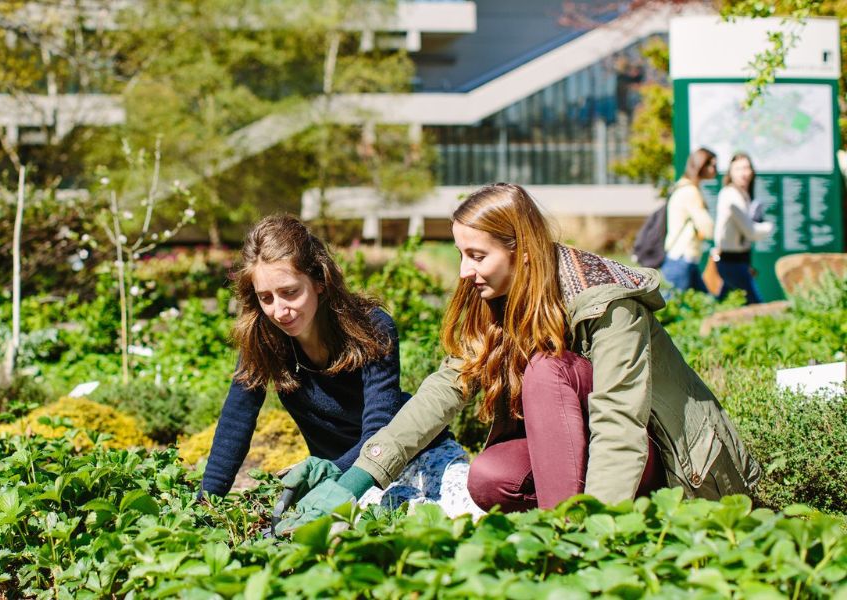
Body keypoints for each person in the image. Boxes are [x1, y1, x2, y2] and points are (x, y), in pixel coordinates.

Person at [277, 183, 759, 523]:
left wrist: (595, 534)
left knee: (549, 372)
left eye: (477, 255)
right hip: (597, 458)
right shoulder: (498, 298)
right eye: (462, 253)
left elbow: (620, 423)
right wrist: (361, 476)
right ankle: (556, 520)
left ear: (522, 251)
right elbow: (443, 389)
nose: (464, 271)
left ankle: (563, 530)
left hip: (671, 471)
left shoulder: (608, 303)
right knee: (490, 478)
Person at [202, 214, 480, 520]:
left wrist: (336, 473)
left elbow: (380, 429)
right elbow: (236, 421)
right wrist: (206, 503)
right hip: (343, 481)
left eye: (290, 292)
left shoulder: (371, 327)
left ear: (319, 281)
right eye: (265, 298)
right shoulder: (263, 340)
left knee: (466, 516)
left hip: (413, 457)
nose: (279, 311)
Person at [713, 153, 775, 305]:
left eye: (746, 168)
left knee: (724, 305)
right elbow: (750, 232)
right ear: (730, 172)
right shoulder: (731, 195)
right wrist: (768, 227)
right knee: (756, 305)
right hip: (731, 261)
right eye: (738, 168)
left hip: (740, 260)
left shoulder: (743, 195)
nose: (743, 173)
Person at [660, 148, 717, 295]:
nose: (714, 170)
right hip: (682, 258)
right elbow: (708, 228)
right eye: (712, 165)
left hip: (682, 259)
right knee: (669, 310)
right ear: (701, 165)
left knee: (704, 306)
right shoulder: (691, 192)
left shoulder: (683, 187)